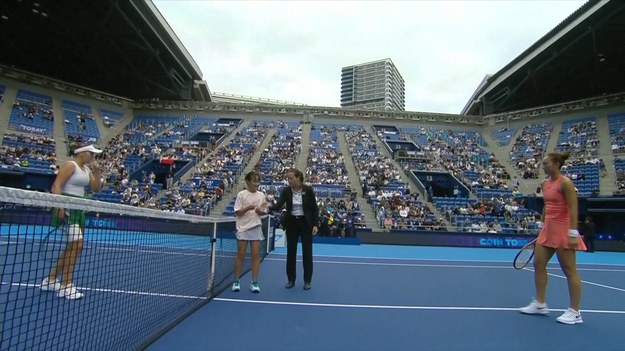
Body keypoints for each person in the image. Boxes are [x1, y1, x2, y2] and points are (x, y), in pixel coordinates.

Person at [520, 152, 586, 324]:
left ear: (556, 164)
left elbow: (573, 208)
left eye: (546, 163)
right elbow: (546, 207)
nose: (543, 166)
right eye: (543, 163)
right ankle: (540, 304)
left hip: (564, 230)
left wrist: (573, 233)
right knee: (538, 264)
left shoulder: (565, 183)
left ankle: (575, 312)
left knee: (569, 270)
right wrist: (541, 227)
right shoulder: (544, 183)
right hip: (548, 230)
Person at [40, 144, 103, 300]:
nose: (93, 156)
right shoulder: (70, 165)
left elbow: (96, 189)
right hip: (68, 208)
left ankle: (51, 279)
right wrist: (59, 206)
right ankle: (66, 286)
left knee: (74, 247)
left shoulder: (87, 170)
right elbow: (57, 185)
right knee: (77, 245)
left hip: (79, 209)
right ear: (81, 153)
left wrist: (97, 171)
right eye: (91, 153)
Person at [271, 168, 319, 290]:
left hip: (306, 224)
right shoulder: (286, 191)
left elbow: (314, 208)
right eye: (288, 178)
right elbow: (278, 205)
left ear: (298, 178)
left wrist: (315, 225)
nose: (289, 180)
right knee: (291, 253)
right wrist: (268, 205)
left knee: (307, 253)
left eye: (291, 178)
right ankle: (291, 279)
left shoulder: (308, 190)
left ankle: (307, 281)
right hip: (291, 223)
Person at [232, 171, 268, 293]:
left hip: (256, 227)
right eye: (254, 181)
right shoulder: (241, 194)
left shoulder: (262, 195)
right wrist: (248, 208)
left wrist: (259, 211)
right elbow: (237, 212)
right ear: (248, 182)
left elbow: (264, 211)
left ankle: (254, 282)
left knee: (255, 255)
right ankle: (236, 281)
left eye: (258, 181)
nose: (256, 184)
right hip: (243, 227)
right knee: (240, 254)